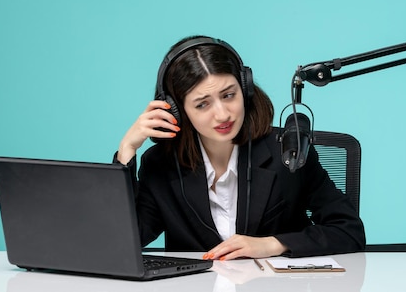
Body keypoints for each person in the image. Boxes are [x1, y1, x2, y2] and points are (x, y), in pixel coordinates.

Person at [115, 36, 365, 261]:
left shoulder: (287, 151)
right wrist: (126, 150)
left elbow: (348, 230)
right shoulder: (161, 164)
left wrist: (272, 244)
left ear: (245, 89)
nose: (222, 114)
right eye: (202, 104)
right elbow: (123, 242)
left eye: (228, 95)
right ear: (178, 112)